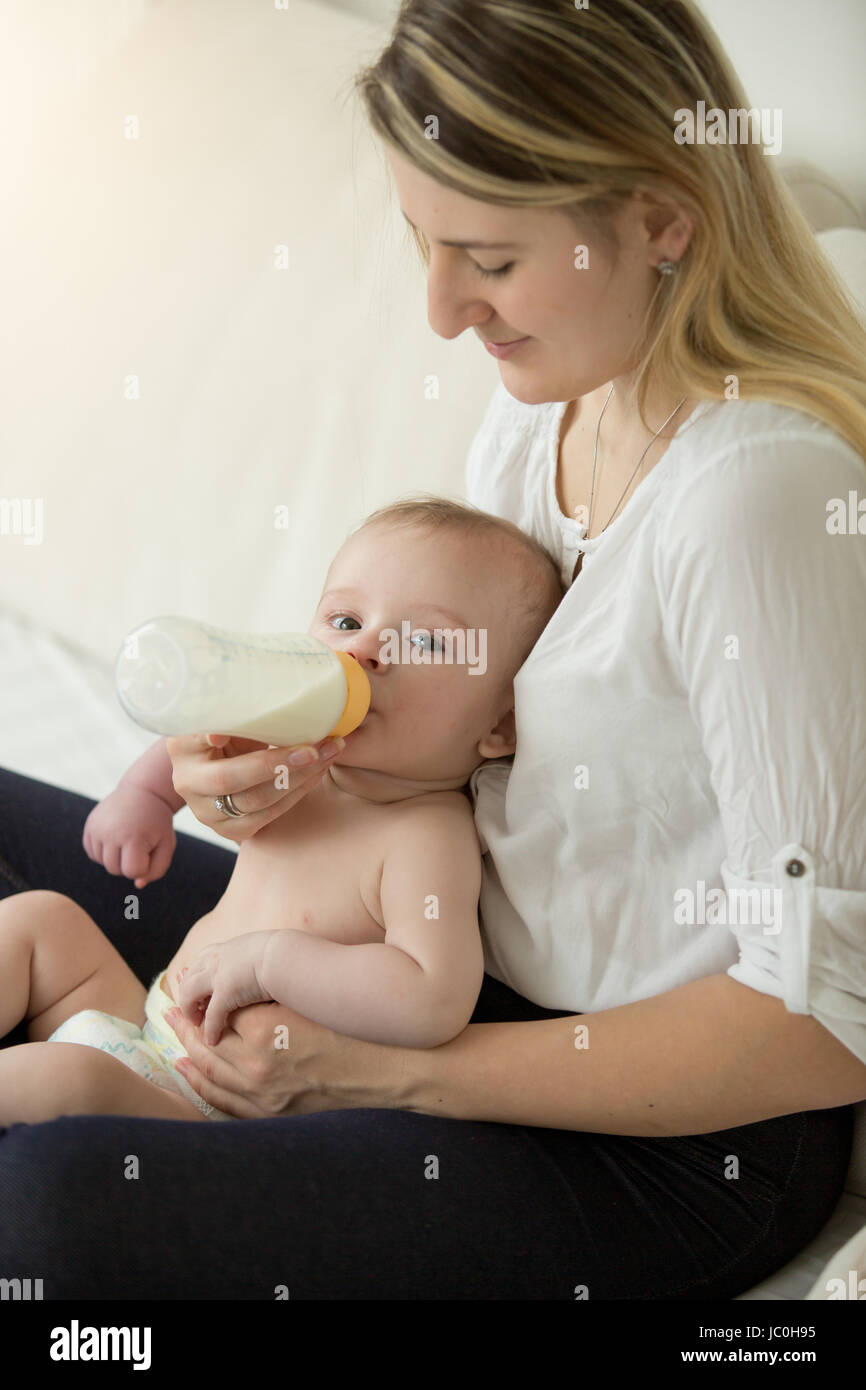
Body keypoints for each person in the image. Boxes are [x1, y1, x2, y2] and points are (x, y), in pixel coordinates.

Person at [1, 0, 864, 1299]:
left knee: (54, 1204)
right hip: (429, 965)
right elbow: (458, 741)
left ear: (661, 215)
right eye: (423, 244)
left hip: (656, 1129)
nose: (442, 309)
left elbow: (820, 1023)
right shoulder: (540, 418)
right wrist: (285, 771)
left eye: (485, 257)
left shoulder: (756, 502)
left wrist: (391, 1070)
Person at [0, 499, 562, 1124]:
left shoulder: (424, 835)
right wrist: (146, 799)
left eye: (427, 640)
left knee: (71, 1078)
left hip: (202, 1102)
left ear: (501, 724)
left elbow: (432, 994)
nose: (367, 648)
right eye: (346, 618)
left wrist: (275, 962)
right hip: (144, 1022)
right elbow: (207, 730)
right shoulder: (300, 746)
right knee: (40, 925)